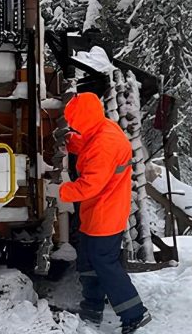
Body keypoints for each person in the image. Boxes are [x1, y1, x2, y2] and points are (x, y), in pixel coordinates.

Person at [58, 92, 151, 333]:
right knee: (89, 259)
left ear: (83, 118)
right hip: (97, 211)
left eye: (73, 122)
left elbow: (90, 185)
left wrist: (60, 191)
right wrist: (69, 141)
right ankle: (92, 307)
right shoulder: (101, 127)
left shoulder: (104, 144)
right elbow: (86, 141)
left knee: (105, 263)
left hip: (106, 213)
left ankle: (134, 313)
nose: (72, 126)